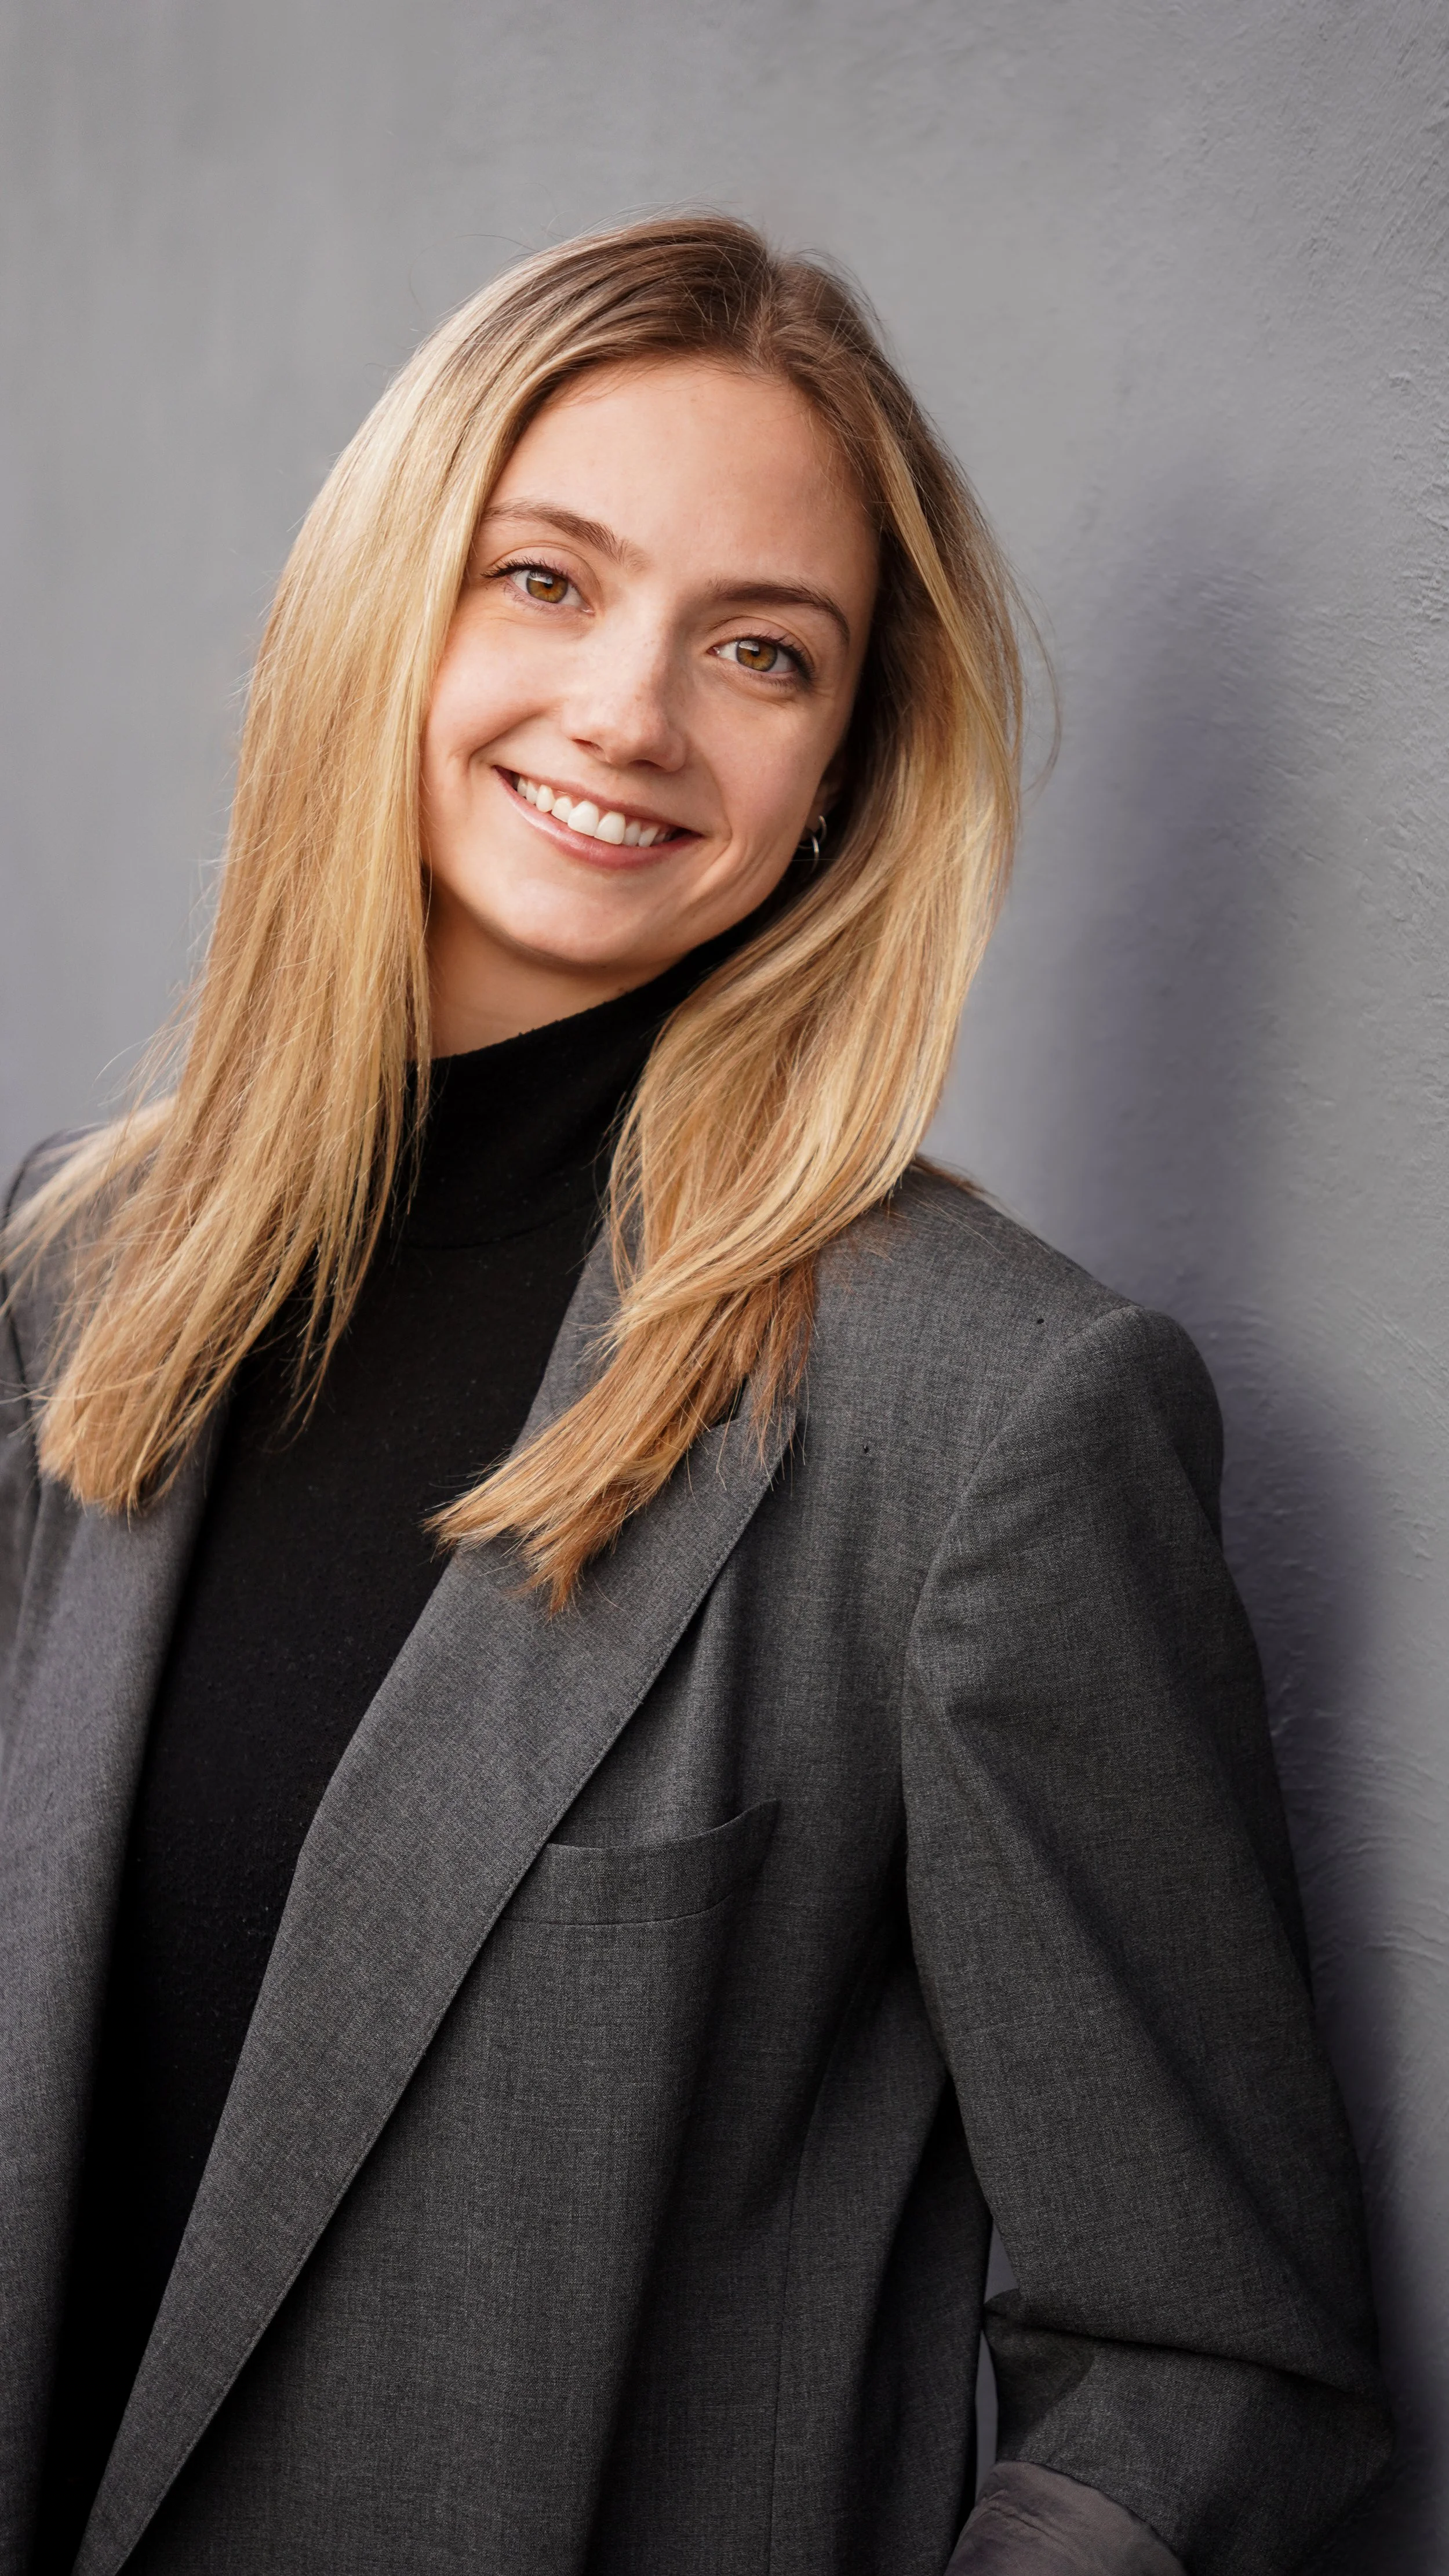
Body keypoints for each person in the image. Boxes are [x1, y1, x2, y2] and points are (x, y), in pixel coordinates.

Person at [0, 214, 1389, 2576]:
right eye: (545, 580)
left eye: (760, 650)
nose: (633, 712)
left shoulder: (988, 1418)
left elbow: (1200, 2363)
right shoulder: (75, 1269)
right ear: (386, 610)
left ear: (845, 770)